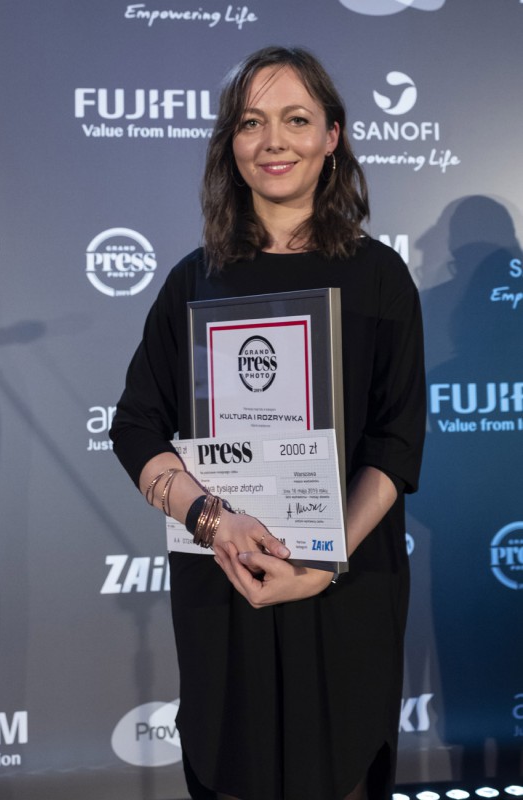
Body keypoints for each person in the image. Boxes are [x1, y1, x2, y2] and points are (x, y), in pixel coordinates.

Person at [110, 46, 426, 800]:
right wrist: (211, 519)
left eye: (296, 120)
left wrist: (322, 561)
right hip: (227, 578)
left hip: (345, 585)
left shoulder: (380, 277)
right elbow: (135, 426)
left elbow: (396, 441)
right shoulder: (192, 281)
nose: (273, 141)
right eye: (251, 122)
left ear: (332, 137)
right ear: (231, 143)